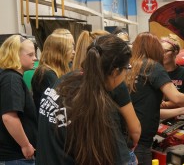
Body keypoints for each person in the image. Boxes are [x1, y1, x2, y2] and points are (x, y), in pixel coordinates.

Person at [36, 34, 137, 165]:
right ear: (115, 72)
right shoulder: (98, 106)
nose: (126, 74)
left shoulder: (64, 81)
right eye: (127, 68)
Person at [125, 32, 184, 165]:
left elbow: (147, 111)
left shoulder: (130, 68)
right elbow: (176, 97)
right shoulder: (152, 66)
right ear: (154, 49)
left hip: (127, 139)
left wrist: (181, 111)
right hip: (140, 143)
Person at [72, 30, 141, 156]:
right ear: (115, 71)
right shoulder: (113, 91)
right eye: (127, 68)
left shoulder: (68, 83)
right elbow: (135, 129)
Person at [0, 35, 37, 164]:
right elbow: (9, 117)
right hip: (15, 156)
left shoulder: (11, 77)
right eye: (30, 55)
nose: (35, 58)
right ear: (15, 55)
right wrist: (25, 145)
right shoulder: (11, 80)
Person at [31, 29, 75, 114]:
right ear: (59, 52)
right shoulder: (46, 74)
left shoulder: (60, 70)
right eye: (70, 49)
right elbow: (62, 102)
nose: (74, 52)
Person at [160, 35, 184, 119]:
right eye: (159, 51)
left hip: (179, 115)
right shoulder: (156, 72)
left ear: (176, 52)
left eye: (165, 51)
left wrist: (165, 104)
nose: (162, 54)